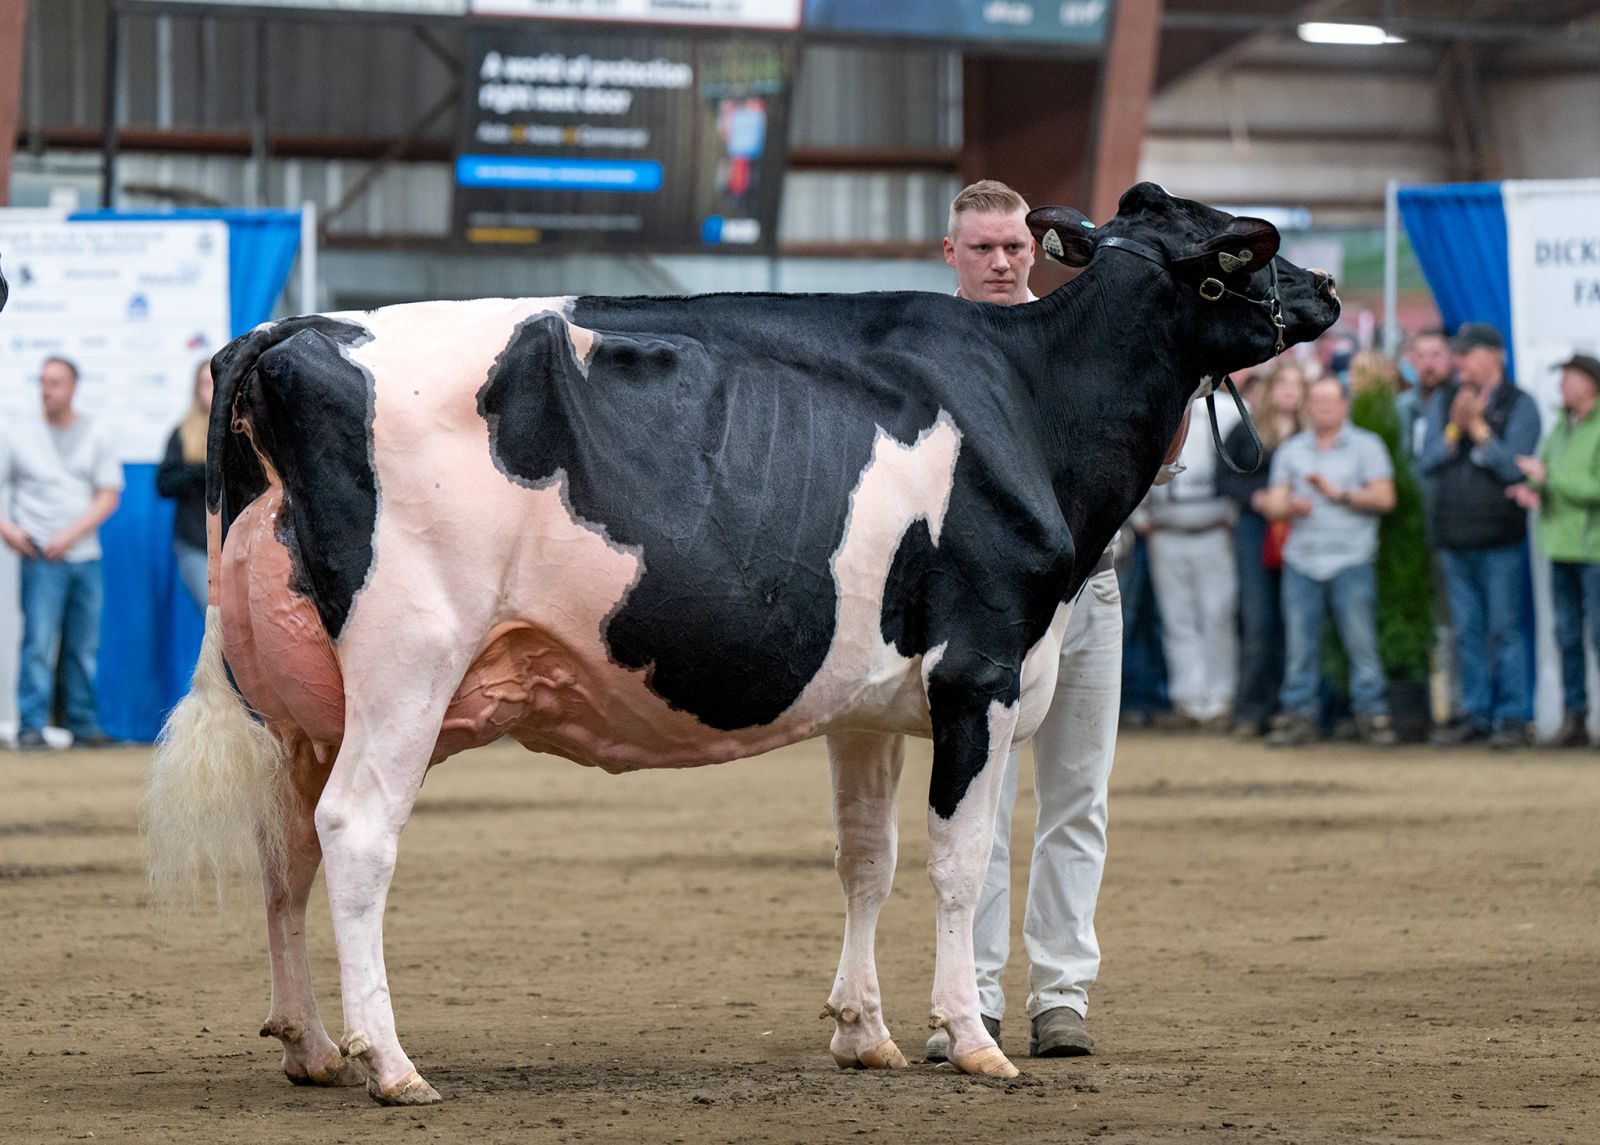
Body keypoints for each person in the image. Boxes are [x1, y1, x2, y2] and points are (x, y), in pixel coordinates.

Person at [925, 179, 1185, 1063]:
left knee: (1078, 796)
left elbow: (1157, 459)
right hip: (976, 603)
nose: (1002, 262)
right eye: (984, 248)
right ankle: (975, 996)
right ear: (951, 254)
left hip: (1088, 587)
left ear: (1036, 249)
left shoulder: (1082, 337)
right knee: (979, 805)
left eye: (1015, 247)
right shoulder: (928, 343)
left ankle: (1062, 994)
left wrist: (1181, 378)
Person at [1260, 376, 1399, 747]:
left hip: (1351, 558)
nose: (1323, 407)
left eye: (1329, 401)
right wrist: (1290, 505)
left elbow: (1385, 498)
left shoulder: (1367, 446)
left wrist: (1340, 494)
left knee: (1361, 643)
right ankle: (1299, 715)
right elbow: (1273, 503)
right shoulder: (1292, 450)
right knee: (1299, 647)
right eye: (1317, 401)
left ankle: (1372, 714)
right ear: (1309, 407)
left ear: (1344, 405)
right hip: (1301, 560)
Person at [1419, 323, 1540, 748]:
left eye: (1468, 353)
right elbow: (1427, 459)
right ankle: (1476, 714)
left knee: (1504, 629)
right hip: (1454, 536)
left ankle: (1512, 716)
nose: (1460, 361)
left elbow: (1514, 468)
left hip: (1499, 537)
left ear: (1495, 356)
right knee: (1467, 632)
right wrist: (1456, 428)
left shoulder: (1520, 404)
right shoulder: (1446, 400)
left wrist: (1480, 431)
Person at [0, 356, 124, 750]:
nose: (46, 390)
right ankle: (31, 726)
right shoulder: (17, 433)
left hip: (84, 556)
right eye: (42, 382)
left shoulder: (96, 432)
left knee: (83, 646)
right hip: (39, 557)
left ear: (73, 387)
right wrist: (8, 530)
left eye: (54, 383)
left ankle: (81, 724)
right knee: (38, 643)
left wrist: (70, 536)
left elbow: (108, 494)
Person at [1511, 354, 1600, 748]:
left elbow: (1593, 488)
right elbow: (1547, 472)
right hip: (1561, 548)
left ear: (1589, 383)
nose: (1561, 384)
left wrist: (1550, 479)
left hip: (1594, 551)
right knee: (1567, 638)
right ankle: (1574, 717)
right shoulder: (1562, 426)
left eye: (1568, 377)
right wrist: (1531, 488)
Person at [1217, 360, 1307, 736]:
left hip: (1302, 530)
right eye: (1283, 383)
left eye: (1296, 384)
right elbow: (1224, 478)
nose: (1289, 390)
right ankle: (1252, 709)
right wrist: (1256, 498)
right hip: (1255, 531)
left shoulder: (1310, 433)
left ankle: (1291, 706)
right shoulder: (1246, 429)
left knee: (1296, 621)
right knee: (1258, 621)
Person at [1136, 416, 1238, 730]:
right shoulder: (1160, 411)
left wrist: (1233, 514)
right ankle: (1188, 700)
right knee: (1176, 619)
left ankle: (1220, 698)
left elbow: (1239, 462)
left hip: (1213, 530)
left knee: (1218, 615)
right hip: (1166, 533)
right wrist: (1140, 519)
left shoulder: (1226, 413)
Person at [157, 360, 214, 611]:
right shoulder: (183, 433)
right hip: (196, 542)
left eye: (217, 383)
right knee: (215, 616)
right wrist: (200, 471)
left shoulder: (244, 432)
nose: (212, 390)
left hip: (237, 546)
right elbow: (164, 485)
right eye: (206, 384)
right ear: (197, 389)